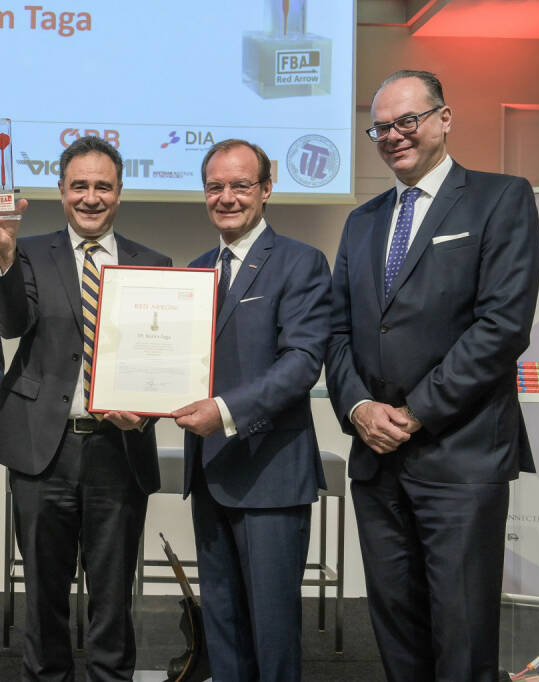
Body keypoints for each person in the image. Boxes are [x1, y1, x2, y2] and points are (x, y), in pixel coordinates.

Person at [325, 70, 539, 682]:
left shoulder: (500, 198)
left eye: (407, 120)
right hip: (377, 459)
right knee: (397, 631)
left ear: (444, 119)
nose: (394, 135)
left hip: (461, 457)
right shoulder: (362, 220)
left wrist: (416, 412)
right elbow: (337, 333)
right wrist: (359, 408)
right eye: (380, 128)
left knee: (462, 634)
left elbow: (503, 326)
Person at [0, 136, 171, 681]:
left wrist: (149, 410)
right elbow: (12, 325)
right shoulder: (27, 252)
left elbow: (165, 360)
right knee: (44, 596)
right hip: (45, 449)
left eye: (102, 187)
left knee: (112, 597)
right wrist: (4, 253)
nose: (91, 197)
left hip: (119, 450)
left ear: (120, 192)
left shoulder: (153, 264)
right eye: (79, 186)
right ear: (61, 191)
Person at [169, 139, 332, 680]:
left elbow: (302, 363)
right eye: (215, 186)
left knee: (272, 631)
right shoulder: (196, 270)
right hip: (210, 472)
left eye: (240, 185)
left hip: (270, 473)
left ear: (266, 189)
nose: (227, 197)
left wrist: (224, 411)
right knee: (223, 626)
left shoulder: (301, 262)